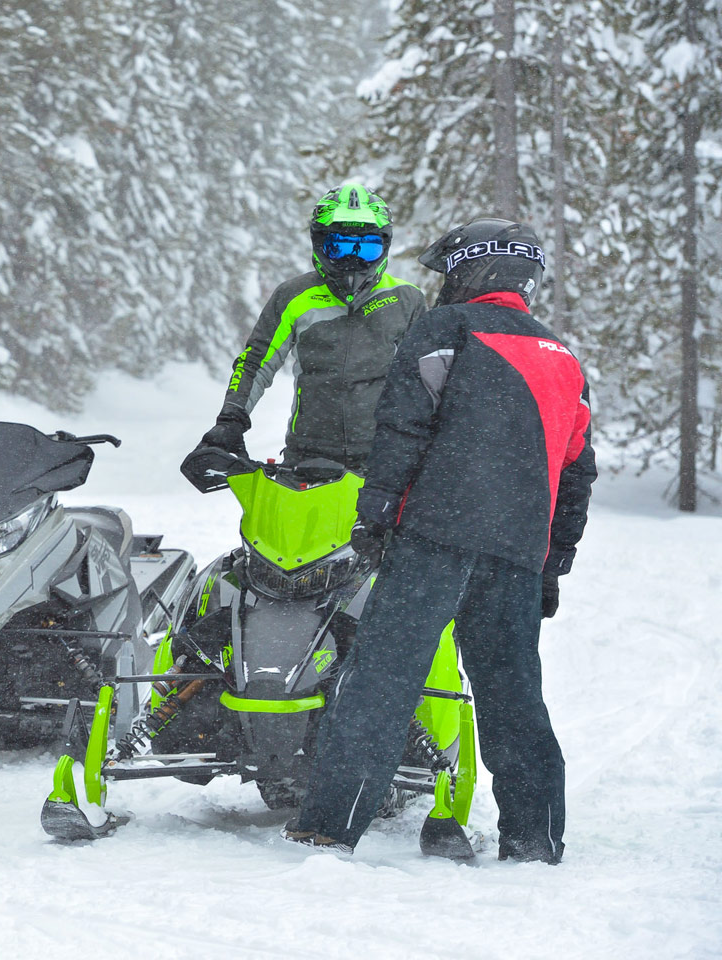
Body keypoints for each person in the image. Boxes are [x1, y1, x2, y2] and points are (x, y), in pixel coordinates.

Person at [283, 218, 595, 864]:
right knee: (513, 694)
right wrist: (554, 563)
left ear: (476, 271)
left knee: (381, 681)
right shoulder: (564, 357)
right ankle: (534, 837)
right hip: (515, 553)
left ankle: (329, 826)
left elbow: (401, 429)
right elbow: (575, 470)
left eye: (451, 272)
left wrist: (373, 519)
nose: (446, 284)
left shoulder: (445, 330)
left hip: (434, 536)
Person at [194, 182, 426, 473]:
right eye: (339, 246)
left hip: (383, 456)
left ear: (384, 245)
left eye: (366, 247)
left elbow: (425, 378)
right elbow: (257, 362)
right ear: (320, 243)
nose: (352, 258)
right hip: (309, 454)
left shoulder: (406, 298)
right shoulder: (294, 295)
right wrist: (231, 419)